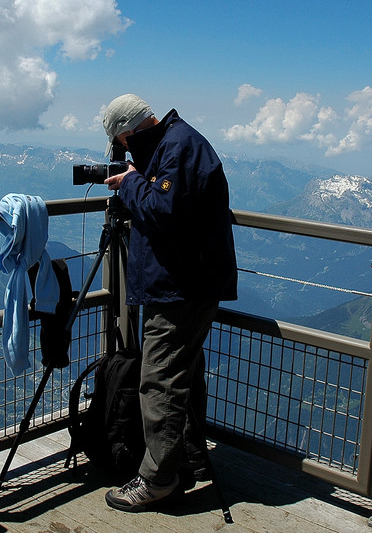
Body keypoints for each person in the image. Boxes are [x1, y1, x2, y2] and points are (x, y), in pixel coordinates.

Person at [100, 93, 238, 512]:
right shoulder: (173, 144)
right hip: (183, 283)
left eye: (120, 143)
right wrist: (137, 182)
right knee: (182, 376)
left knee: (159, 379)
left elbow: (164, 210)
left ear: (128, 131)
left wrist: (129, 184)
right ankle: (189, 460)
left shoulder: (178, 147)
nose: (120, 152)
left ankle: (157, 480)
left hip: (181, 288)